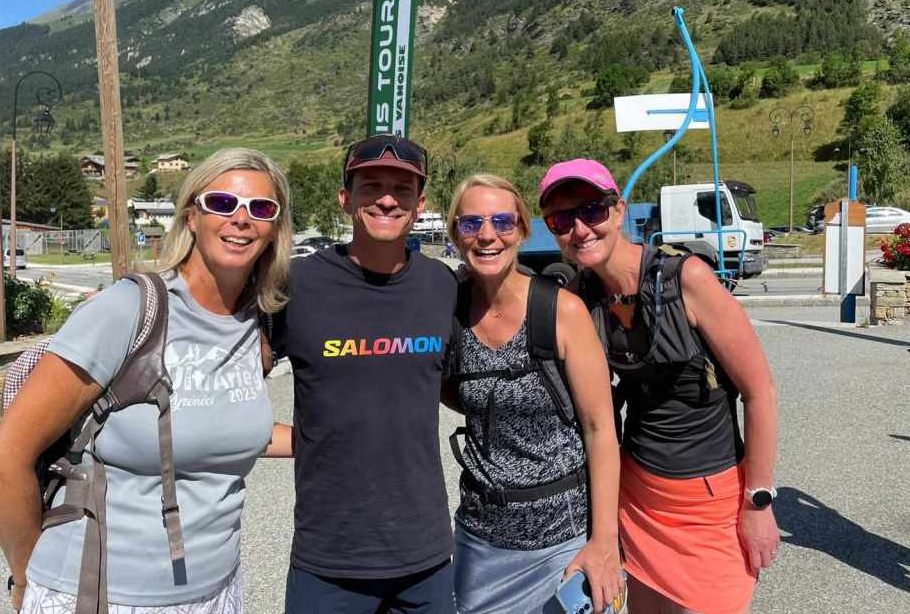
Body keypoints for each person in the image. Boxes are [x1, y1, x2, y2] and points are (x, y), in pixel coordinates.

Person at [0, 147, 295, 613]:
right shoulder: (128, 310)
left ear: (275, 229)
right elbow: (1, 461)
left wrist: (339, 439)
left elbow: (218, 429)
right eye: (222, 203)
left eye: (261, 208)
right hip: (101, 594)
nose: (242, 219)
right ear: (191, 217)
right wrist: (27, 577)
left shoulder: (255, 325)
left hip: (217, 592)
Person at [539, 159, 780, 614]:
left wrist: (758, 503)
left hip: (712, 503)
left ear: (618, 211)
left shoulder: (686, 279)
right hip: (639, 498)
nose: (580, 229)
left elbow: (760, 391)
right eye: (561, 220)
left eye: (591, 211)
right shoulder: (580, 297)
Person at [275, 134, 457, 614]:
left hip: (425, 556)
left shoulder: (442, 285)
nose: (386, 199)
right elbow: (234, 378)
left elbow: (459, 384)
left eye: (402, 188)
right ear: (345, 198)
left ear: (420, 204)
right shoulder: (297, 284)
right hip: (328, 558)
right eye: (371, 185)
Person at [444, 174, 624, 614]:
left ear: (523, 230)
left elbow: (601, 429)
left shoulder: (560, 310)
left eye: (503, 222)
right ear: (455, 234)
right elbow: (449, 391)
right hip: (481, 542)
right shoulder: (450, 311)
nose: (487, 235)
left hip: (564, 542)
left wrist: (604, 542)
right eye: (471, 223)